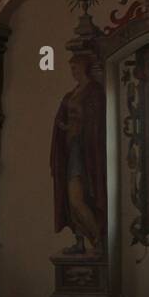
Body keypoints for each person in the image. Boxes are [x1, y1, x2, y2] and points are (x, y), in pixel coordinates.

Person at [50, 52, 106, 255]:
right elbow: (65, 118)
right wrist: (64, 126)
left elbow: (95, 121)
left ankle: (98, 239)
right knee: (70, 199)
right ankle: (80, 240)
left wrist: (78, 124)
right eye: (71, 68)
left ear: (83, 67)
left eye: (75, 68)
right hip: (70, 148)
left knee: (78, 198)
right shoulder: (71, 94)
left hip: (84, 152)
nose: (73, 72)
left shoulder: (93, 92)